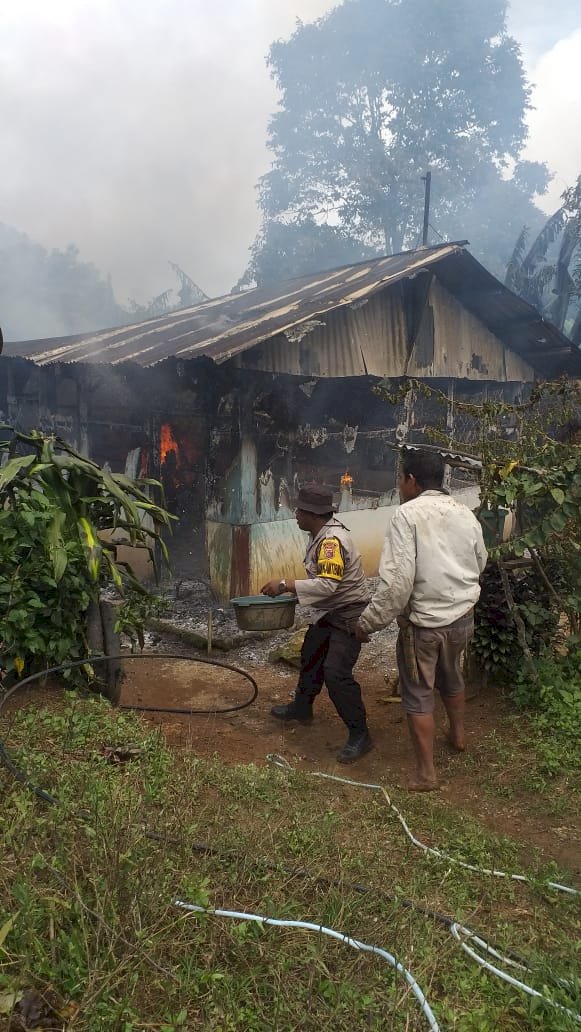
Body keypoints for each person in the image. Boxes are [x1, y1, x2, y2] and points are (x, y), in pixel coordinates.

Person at [356, 450, 487, 790]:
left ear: (411, 480)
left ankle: (427, 774)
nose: (400, 486)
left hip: (424, 627)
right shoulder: (464, 512)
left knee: (417, 694)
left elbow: (397, 585)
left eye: (401, 479)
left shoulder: (407, 515)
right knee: (452, 675)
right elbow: (480, 561)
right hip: (462, 619)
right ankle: (458, 735)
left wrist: (366, 623)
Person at [261, 484, 372, 764]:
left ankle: (360, 734)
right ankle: (302, 708)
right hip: (331, 611)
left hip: (347, 613)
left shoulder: (331, 542)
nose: (295, 514)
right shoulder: (322, 534)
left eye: (299, 510)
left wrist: (286, 585)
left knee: (335, 672)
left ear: (312, 514)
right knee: (311, 654)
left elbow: (327, 585)